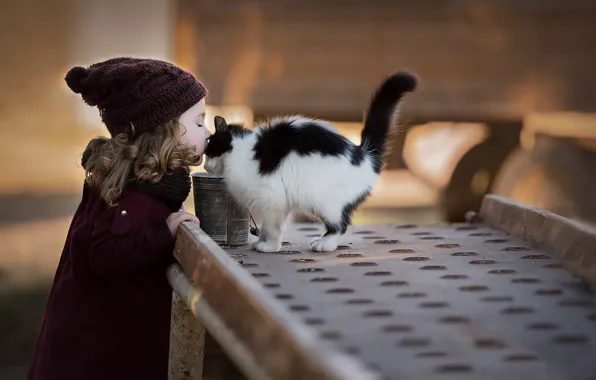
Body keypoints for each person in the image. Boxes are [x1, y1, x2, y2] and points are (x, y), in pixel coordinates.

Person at [28, 57, 210, 380]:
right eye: (199, 122)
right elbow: (105, 252)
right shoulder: (134, 195)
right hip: (95, 360)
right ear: (163, 129)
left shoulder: (136, 185)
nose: (207, 133)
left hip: (97, 351)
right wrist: (164, 233)